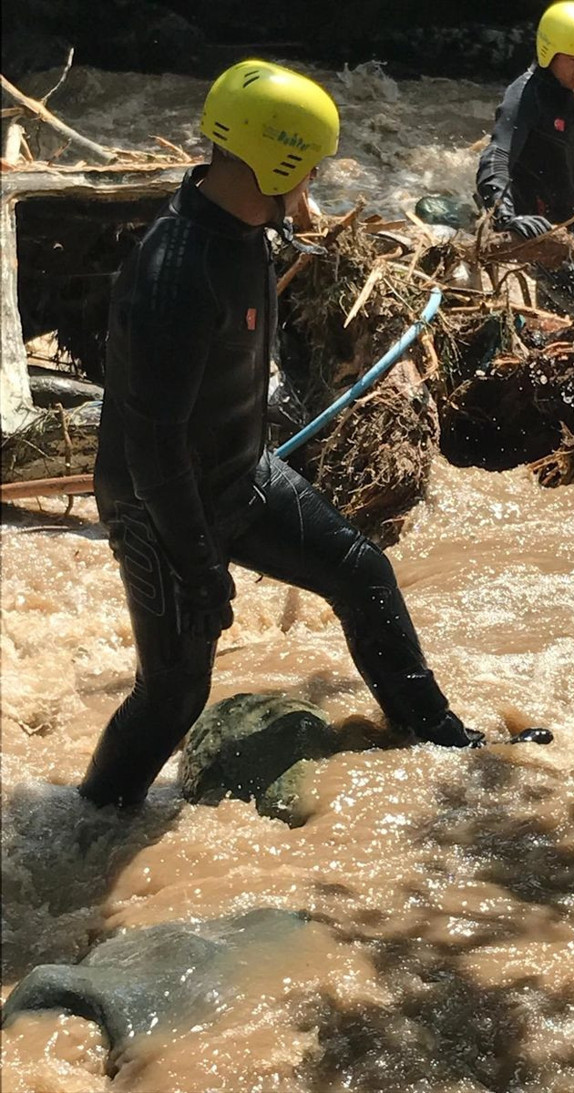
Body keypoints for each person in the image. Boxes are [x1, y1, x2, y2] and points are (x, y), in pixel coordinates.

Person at [81, 60, 485, 810]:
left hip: (240, 472)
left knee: (362, 574)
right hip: (158, 503)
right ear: (277, 161)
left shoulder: (247, 231)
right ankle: (91, 827)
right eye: (310, 168)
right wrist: (199, 567)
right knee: (174, 694)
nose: (313, 185)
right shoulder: (174, 273)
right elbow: (154, 445)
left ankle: (444, 743)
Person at [476, 1, 574, 333]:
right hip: (540, 236)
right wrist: (506, 217)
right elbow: (496, 156)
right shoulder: (525, 96)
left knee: (562, 328)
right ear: (549, 53)